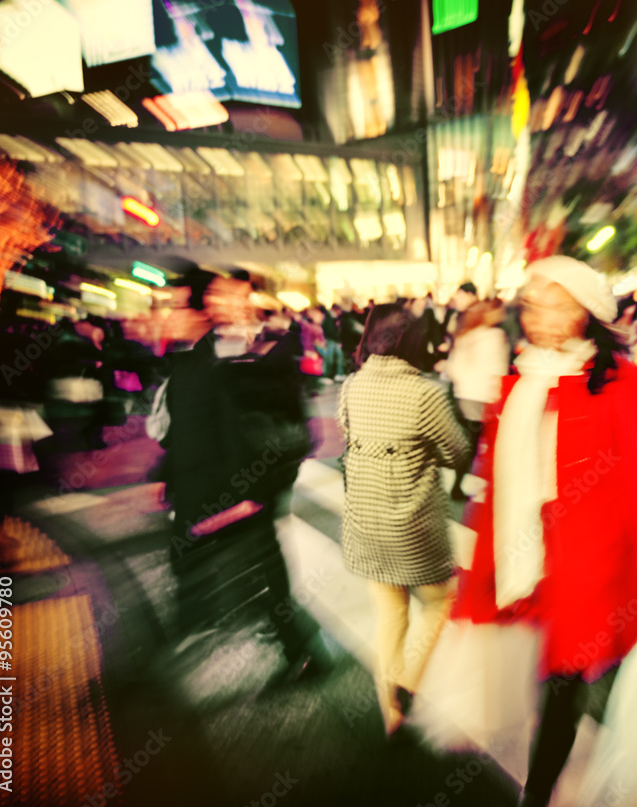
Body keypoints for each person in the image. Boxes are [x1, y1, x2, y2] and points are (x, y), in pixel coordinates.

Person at [452, 256, 637, 807]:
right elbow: (498, 480)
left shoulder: (620, 381)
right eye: (533, 302)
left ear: (586, 313)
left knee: (571, 676)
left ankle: (540, 791)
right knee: (555, 671)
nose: (539, 314)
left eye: (556, 303)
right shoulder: (520, 377)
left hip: (600, 562)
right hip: (533, 558)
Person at [151, 269, 323, 682]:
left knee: (262, 563)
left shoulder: (235, 356)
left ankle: (297, 649)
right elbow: (184, 430)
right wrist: (167, 476)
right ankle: (221, 630)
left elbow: (252, 428)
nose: (167, 315)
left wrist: (254, 491)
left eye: (176, 305)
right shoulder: (195, 357)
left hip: (235, 491)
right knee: (242, 561)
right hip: (207, 490)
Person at [337, 303, 471, 735]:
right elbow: (458, 451)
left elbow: (346, 433)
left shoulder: (352, 386)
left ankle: (389, 710)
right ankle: (406, 683)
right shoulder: (424, 393)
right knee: (441, 601)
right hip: (413, 526)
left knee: (391, 615)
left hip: (366, 521)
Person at [443, 300, 510, 499]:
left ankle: (458, 485)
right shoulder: (496, 336)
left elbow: (453, 367)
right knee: (488, 444)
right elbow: (499, 370)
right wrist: (496, 397)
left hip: (463, 396)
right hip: (484, 398)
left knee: (470, 444)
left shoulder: (466, 334)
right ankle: (490, 488)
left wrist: (465, 385)